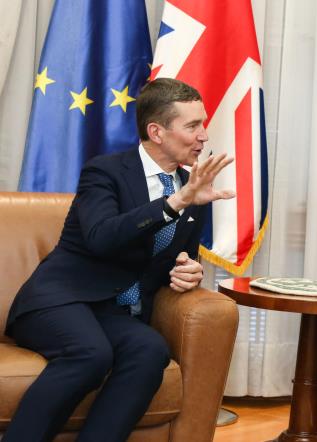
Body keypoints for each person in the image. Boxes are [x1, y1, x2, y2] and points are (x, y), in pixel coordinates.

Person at [3, 78, 234, 442]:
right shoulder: (105, 172)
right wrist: (175, 203)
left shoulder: (193, 188)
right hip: (59, 300)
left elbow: (175, 257)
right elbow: (102, 238)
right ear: (156, 132)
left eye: (202, 124)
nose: (203, 136)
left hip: (113, 313)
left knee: (150, 351)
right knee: (91, 354)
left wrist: (190, 271)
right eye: (192, 126)